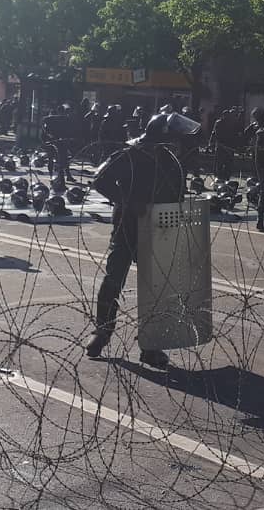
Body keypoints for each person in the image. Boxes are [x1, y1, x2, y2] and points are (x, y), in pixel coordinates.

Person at [85, 111, 198, 368]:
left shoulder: (170, 160)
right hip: (129, 225)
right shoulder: (132, 153)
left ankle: (151, 344)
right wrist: (128, 202)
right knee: (114, 278)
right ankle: (101, 332)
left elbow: (176, 192)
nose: (178, 145)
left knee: (157, 287)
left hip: (160, 227)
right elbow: (100, 179)